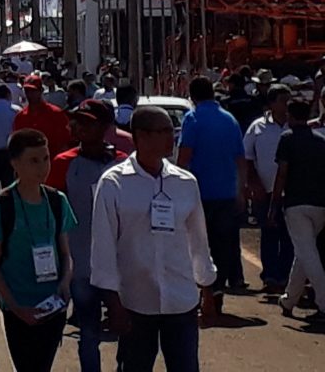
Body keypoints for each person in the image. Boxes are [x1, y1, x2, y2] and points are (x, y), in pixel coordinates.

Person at [91, 106, 217, 372]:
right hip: (135, 302)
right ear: (142, 136)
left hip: (180, 300)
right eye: (165, 132)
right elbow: (103, 247)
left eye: (172, 131)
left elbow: (198, 240)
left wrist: (207, 286)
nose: (173, 138)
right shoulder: (113, 183)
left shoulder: (185, 182)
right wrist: (112, 303)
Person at [0, 129, 76, 372]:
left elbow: (66, 253)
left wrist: (65, 285)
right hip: (19, 309)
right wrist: (14, 306)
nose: (42, 167)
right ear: (15, 163)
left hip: (52, 305)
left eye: (45, 158)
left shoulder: (57, 201)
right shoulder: (0, 206)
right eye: (33, 160)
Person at [47, 100, 127, 372]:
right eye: (77, 121)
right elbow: (52, 215)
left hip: (120, 267)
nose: (79, 127)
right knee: (88, 332)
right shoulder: (62, 163)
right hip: (81, 266)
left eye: (88, 122)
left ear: (105, 127)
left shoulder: (122, 164)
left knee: (127, 330)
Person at [177, 75, 246, 314]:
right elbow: (240, 159)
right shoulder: (230, 120)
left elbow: (184, 157)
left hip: (198, 195)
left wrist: (176, 187)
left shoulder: (193, 119)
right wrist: (240, 191)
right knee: (223, 245)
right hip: (226, 192)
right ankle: (217, 290)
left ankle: (202, 291)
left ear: (193, 96)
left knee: (196, 244)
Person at [271, 99, 325, 320]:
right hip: (320, 205)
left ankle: (323, 303)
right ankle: (289, 299)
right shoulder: (321, 141)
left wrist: (275, 202)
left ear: (292, 116)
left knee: (308, 254)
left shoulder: (287, 138)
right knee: (305, 253)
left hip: (296, 204)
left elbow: (282, 172)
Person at [243, 83, 293, 293]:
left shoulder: (297, 126)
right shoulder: (257, 127)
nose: (287, 104)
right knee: (269, 232)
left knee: (290, 236)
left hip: (292, 191)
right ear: (272, 104)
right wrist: (253, 184)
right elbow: (247, 158)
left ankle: (286, 276)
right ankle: (270, 276)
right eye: (283, 100)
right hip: (265, 190)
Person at [14, 75, 72, 156]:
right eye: (27, 91)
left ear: (41, 90)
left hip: (52, 163)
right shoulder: (20, 117)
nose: (30, 94)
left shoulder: (55, 113)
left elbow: (65, 144)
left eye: (33, 91)